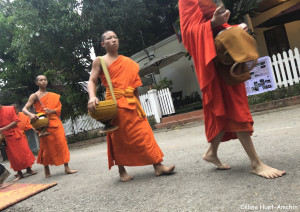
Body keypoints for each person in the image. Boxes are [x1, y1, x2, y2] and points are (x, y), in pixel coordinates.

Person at [178, 0, 285, 179]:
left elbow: (218, 26)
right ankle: (256, 163)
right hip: (213, 61)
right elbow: (188, 35)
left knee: (226, 109)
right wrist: (213, 23)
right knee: (234, 107)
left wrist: (233, 28)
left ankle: (211, 153)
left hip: (226, 56)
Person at [87, 31, 175, 182]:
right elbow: (92, 81)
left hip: (131, 103)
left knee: (144, 133)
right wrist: (92, 96)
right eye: (109, 38)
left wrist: (140, 107)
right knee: (118, 138)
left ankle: (158, 165)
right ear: (103, 44)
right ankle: (122, 171)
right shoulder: (100, 61)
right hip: (114, 105)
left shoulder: (128, 62)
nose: (113, 40)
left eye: (115, 37)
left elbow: (134, 87)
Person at [22, 76, 77, 178]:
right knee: (46, 147)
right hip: (43, 124)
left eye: (45, 79)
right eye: (41, 80)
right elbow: (24, 109)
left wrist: (53, 111)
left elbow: (59, 108)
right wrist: (30, 115)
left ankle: (66, 168)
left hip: (55, 122)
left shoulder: (53, 95)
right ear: (36, 83)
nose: (43, 81)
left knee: (62, 144)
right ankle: (46, 170)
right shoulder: (34, 96)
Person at [0, 105, 36, 181]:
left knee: (23, 152)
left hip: (16, 134)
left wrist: (4, 128)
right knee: (13, 156)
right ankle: (19, 173)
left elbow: (16, 121)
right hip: (6, 137)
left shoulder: (9, 109)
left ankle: (29, 169)